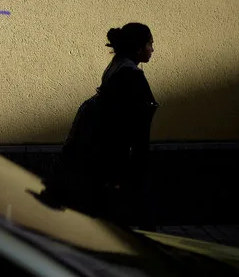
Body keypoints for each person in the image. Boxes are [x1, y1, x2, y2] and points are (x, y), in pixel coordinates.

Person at [52, 22, 159, 229]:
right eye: (150, 44)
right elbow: (136, 122)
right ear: (138, 48)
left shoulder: (116, 66)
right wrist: (137, 161)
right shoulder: (132, 76)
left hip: (105, 151)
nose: (152, 49)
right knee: (135, 212)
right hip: (120, 154)